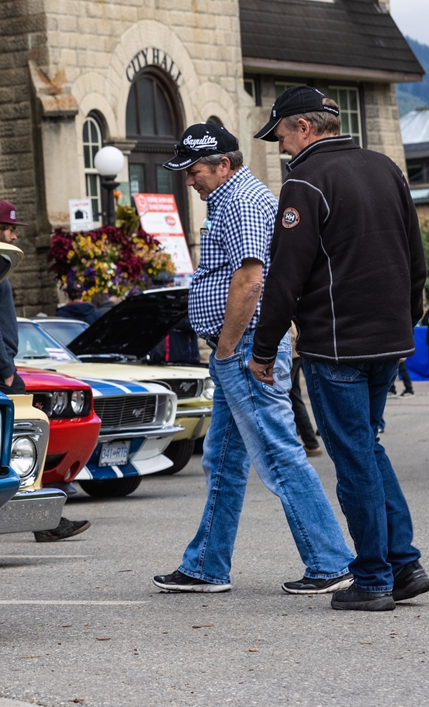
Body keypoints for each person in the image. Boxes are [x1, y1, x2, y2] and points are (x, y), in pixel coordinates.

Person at [150, 122, 354, 596]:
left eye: (195, 170)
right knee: (222, 461)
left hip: (242, 349)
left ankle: (331, 561)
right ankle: (205, 565)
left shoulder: (240, 200)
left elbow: (250, 278)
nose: (189, 180)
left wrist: (225, 347)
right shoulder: (235, 196)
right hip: (240, 347)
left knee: (279, 454)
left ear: (223, 165)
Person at [248, 85, 429, 612]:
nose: (280, 146)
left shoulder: (305, 180)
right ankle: (403, 563)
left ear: (303, 128)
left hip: (337, 344)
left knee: (353, 461)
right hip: (386, 340)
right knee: (368, 448)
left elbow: (285, 277)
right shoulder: (385, 168)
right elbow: (415, 257)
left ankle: (374, 578)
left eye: (281, 133)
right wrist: (406, 325)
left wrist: (263, 350)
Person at [0, 200, 91, 543]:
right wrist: (6, 371)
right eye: (12, 229)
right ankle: (44, 522)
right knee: (26, 440)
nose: (16, 236)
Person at [288, 324, 322, 456]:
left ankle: (288, 449)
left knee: (281, 401)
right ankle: (311, 444)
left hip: (288, 348)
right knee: (294, 398)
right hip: (294, 348)